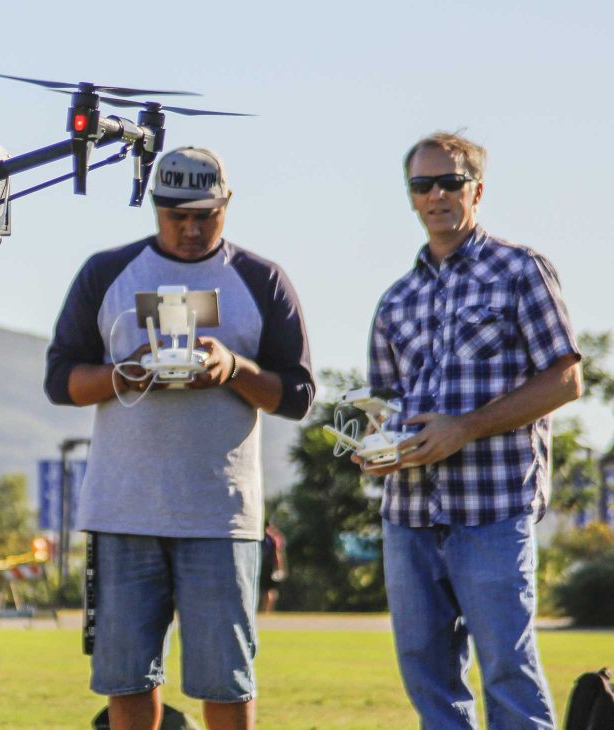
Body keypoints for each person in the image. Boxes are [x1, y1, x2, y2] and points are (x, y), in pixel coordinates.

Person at [45, 147, 314, 730]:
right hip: (123, 513)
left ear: (227, 204)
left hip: (220, 518)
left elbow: (298, 395)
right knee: (127, 682)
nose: (190, 229)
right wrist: (127, 374)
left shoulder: (261, 279)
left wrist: (233, 369)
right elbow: (60, 381)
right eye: (176, 215)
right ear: (155, 206)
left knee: (226, 682)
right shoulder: (106, 272)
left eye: (205, 215)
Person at [361, 132, 583, 729]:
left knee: (507, 672)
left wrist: (466, 428)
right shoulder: (395, 300)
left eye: (449, 182)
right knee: (427, 676)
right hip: (408, 515)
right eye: (421, 184)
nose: (435, 194)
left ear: (476, 190)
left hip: (492, 508)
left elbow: (565, 380)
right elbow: (381, 405)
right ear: (410, 197)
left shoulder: (520, 271)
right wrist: (375, 450)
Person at [257, 519, 286, 614]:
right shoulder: (273, 538)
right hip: (271, 566)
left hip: (262, 565)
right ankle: (268, 611)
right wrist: (280, 568)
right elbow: (278, 553)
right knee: (271, 590)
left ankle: (264, 610)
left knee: (264, 590)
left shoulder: (260, 537)